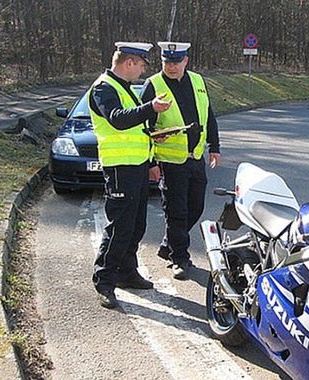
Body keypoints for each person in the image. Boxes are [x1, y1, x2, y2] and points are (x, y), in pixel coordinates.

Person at [89, 42, 171, 309]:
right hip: (119, 168)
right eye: (142, 65)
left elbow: (136, 130)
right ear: (130, 62)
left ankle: (127, 272)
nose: (143, 71)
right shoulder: (103, 88)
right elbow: (118, 119)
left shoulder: (125, 88)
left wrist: (151, 157)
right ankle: (105, 281)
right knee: (119, 228)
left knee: (136, 225)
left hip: (136, 166)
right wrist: (151, 108)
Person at [141, 41, 221, 280]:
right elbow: (143, 127)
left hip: (195, 158)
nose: (171, 66)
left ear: (186, 60)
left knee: (196, 207)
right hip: (170, 161)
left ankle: (168, 244)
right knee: (177, 211)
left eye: (176, 62)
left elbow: (208, 115)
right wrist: (151, 163)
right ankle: (180, 258)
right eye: (167, 62)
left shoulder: (197, 81)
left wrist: (214, 147)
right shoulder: (153, 85)